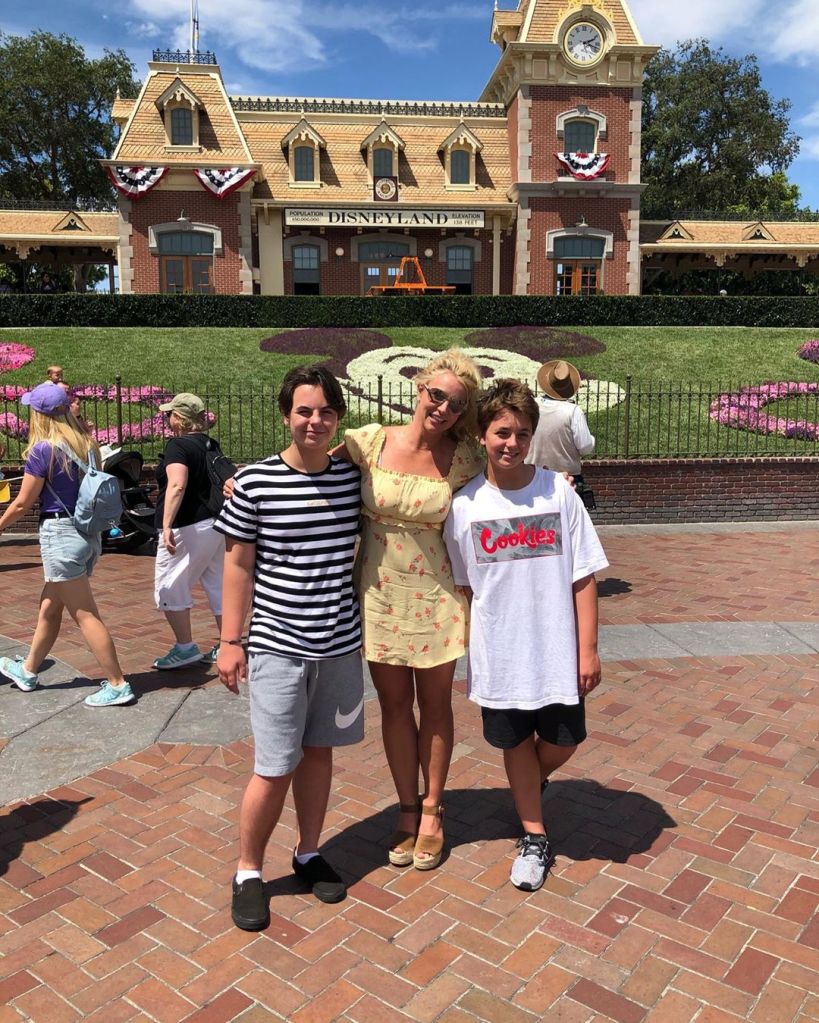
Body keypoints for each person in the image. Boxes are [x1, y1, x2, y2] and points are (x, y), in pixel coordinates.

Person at [444, 379, 608, 891]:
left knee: (565, 740)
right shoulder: (465, 507)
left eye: (521, 433)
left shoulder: (559, 493)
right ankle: (534, 834)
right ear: (482, 434)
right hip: (504, 651)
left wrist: (588, 648)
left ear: (533, 435)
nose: (511, 443)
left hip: (557, 649)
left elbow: (583, 576)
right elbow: (468, 587)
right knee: (514, 741)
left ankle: (526, 788)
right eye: (501, 433)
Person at [215, 366, 364, 931]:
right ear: (286, 415)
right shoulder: (254, 483)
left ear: (338, 418)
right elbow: (237, 565)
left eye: (326, 411)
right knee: (275, 765)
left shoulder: (352, 477)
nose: (315, 421)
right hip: (277, 644)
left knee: (319, 752)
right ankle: (248, 871)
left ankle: (307, 851)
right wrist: (232, 641)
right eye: (304, 410)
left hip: (338, 643)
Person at [340, 349, 483, 870]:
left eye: (455, 403)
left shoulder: (466, 458)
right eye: (436, 394)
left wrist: (554, 481)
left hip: (438, 597)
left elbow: (510, 480)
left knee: (437, 706)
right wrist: (242, 482)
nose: (442, 407)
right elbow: (306, 466)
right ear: (419, 388)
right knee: (395, 707)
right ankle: (405, 806)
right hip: (379, 595)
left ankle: (432, 810)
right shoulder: (369, 440)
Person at [0, 383, 134, 707]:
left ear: (40, 414)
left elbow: (22, 503)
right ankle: (29, 670)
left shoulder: (43, 450)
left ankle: (117, 684)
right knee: (50, 606)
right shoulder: (87, 443)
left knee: (85, 614)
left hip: (60, 535)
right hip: (86, 534)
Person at [152, 392, 224, 669]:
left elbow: (177, 485)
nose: (168, 418)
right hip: (215, 523)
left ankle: (185, 647)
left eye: (170, 413)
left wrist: (167, 524)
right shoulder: (209, 443)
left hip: (188, 524)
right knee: (217, 583)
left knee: (169, 584)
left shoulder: (178, 446)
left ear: (179, 419)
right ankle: (227, 642)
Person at [526, 360, 595, 487]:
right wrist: (592, 439)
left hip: (532, 474)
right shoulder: (573, 411)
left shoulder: (530, 406)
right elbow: (585, 447)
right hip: (567, 478)